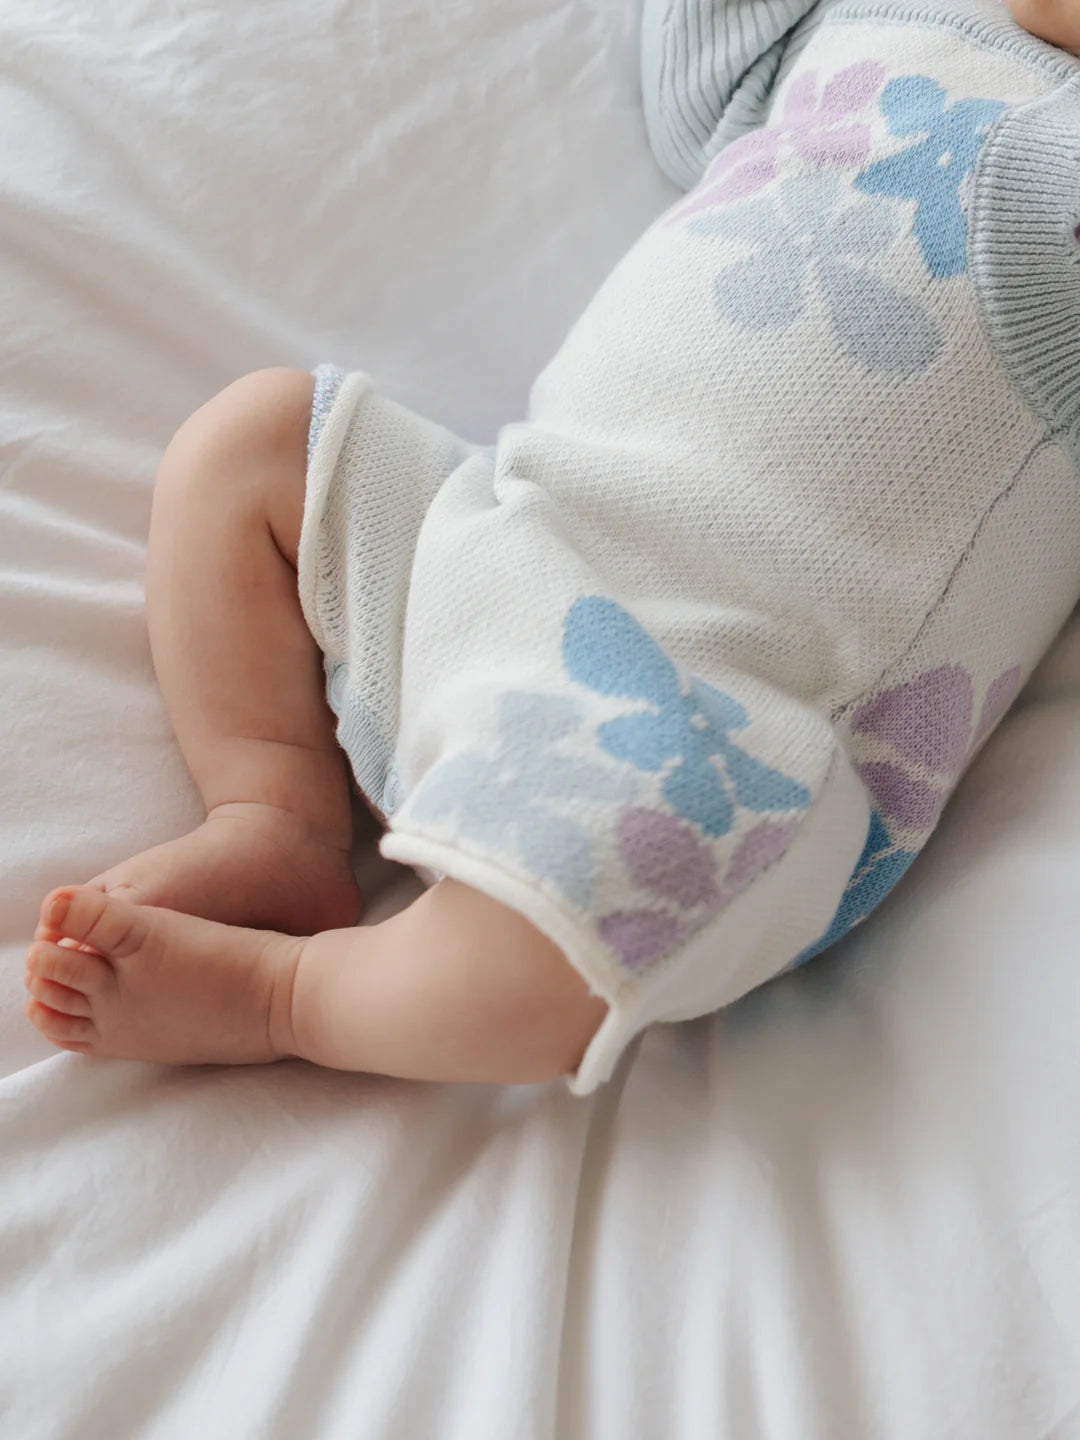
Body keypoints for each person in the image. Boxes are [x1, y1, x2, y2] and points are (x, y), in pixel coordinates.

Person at [23, 0, 1080, 1093]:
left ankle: (289, 997)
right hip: (507, 540)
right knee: (247, 447)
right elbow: (695, 97)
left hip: (715, 715)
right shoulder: (880, 18)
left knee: (557, 955)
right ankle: (274, 811)